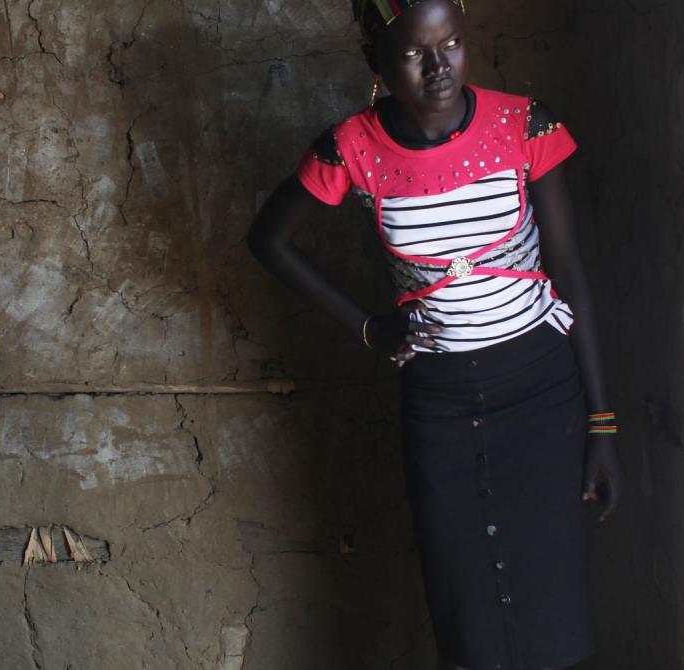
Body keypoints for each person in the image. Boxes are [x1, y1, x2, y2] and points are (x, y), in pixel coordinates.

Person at [246, 1, 623, 668]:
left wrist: (601, 425)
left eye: (450, 43)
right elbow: (269, 240)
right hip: (440, 406)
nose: (439, 64)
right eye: (416, 52)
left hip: (540, 393)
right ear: (378, 63)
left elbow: (571, 276)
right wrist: (367, 326)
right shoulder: (352, 148)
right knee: (465, 612)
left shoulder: (524, 125)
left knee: (554, 608)